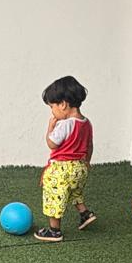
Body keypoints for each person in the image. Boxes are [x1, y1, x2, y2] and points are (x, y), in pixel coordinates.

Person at [35, 76, 95, 242]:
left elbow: (52, 144)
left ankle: (54, 231)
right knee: (75, 192)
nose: (52, 112)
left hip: (62, 169)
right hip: (80, 168)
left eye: (52, 107)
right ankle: (85, 213)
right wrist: (87, 162)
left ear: (63, 104)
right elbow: (90, 145)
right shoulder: (86, 123)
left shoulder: (65, 124)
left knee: (54, 196)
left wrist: (50, 128)